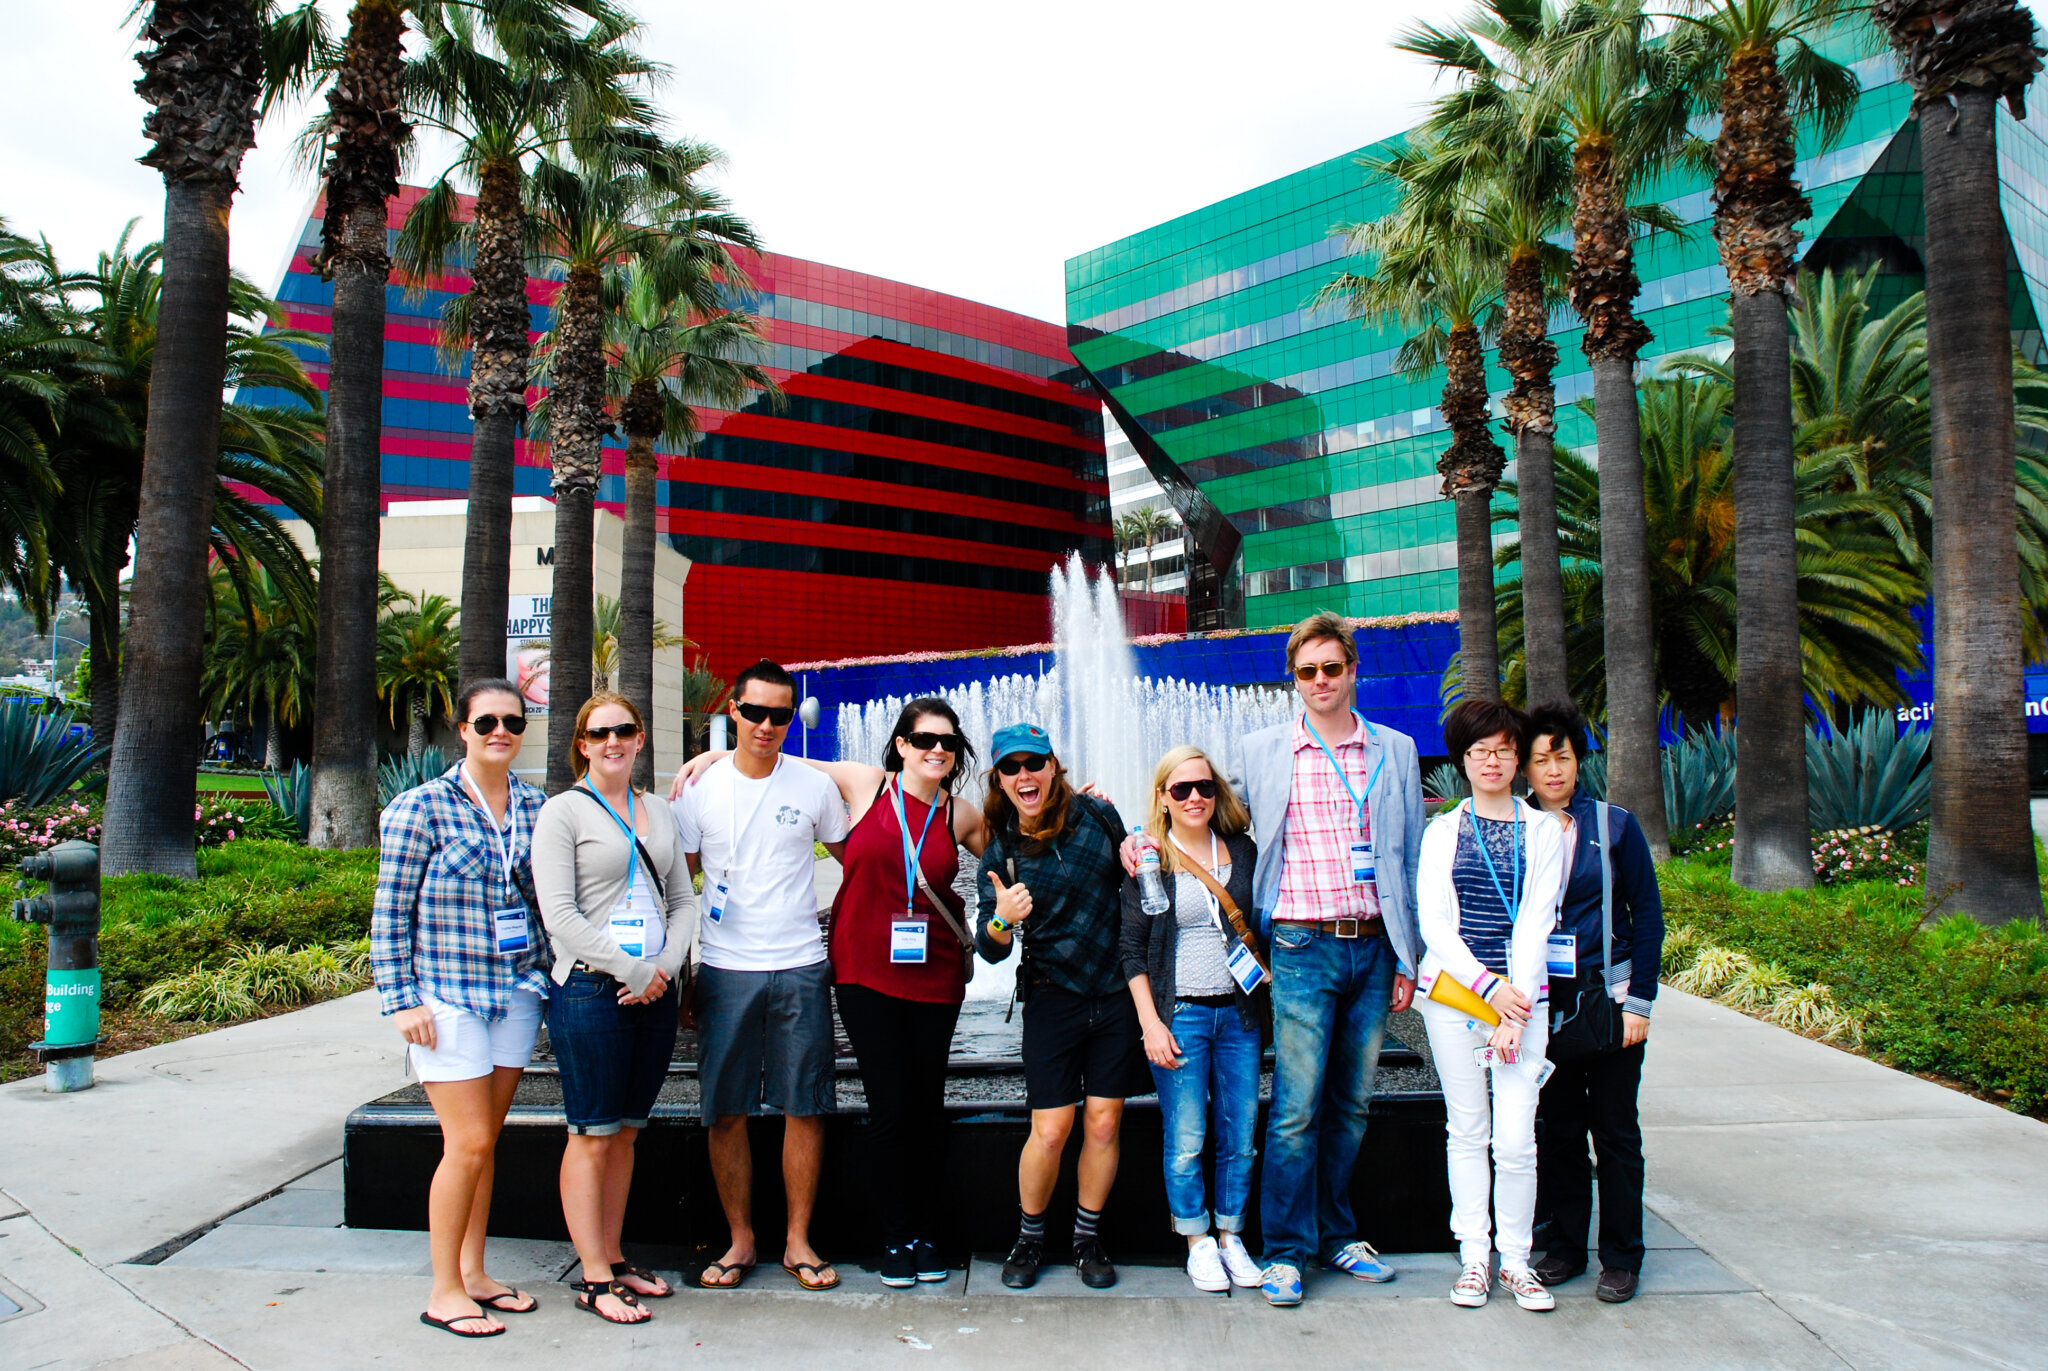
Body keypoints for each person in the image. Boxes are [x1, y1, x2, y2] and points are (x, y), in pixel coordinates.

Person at [1130, 612, 1426, 1307]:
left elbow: (1408, 856)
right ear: (1292, 680)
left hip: (1375, 943)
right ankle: (1287, 1249)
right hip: (1296, 943)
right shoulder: (1264, 749)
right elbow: (1192, 803)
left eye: (1332, 667)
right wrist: (1134, 838)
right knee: (1294, 1107)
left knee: (1351, 1103)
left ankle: (1337, 1233)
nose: (1320, 681)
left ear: (1354, 670)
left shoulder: (1398, 750)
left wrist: (1409, 956)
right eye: (1307, 671)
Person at [372, 679, 551, 1338]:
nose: (500, 731)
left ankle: (474, 1271)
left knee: (486, 1142)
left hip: (516, 992)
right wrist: (401, 999)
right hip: (447, 996)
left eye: (513, 720)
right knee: (468, 1141)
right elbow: (390, 908)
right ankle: (444, 1287)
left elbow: (543, 902)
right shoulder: (419, 808)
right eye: (487, 721)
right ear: (463, 728)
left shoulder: (537, 808)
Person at [672, 659, 851, 1291]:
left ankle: (798, 1240)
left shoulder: (813, 786)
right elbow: (679, 887)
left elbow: (856, 858)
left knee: (806, 1106)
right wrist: (685, 970)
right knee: (726, 1111)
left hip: (801, 964)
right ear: (734, 712)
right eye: (755, 713)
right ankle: (741, 1239)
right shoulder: (698, 791)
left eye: (781, 714)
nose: (767, 725)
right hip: (726, 969)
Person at [531, 693, 697, 1325]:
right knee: (592, 1133)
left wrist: (663, 970)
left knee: (627, 1131)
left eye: (624, 731)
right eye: (599, 733)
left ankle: (615, 1256)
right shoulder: (562, 814)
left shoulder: (657, 809)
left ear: (640, 736)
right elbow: (561, 918)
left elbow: (682, 898)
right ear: (582, 743)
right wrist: (631, 970)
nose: (613, 742)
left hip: (653, 991)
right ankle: (593, 1276)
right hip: (591, 991)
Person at [978, 723, 1151, 1290]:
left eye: (1034, 762)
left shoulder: (1098, 817)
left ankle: (1086, 1238)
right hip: (1053, 998)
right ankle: (1029, 1238)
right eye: (1011, 767)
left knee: (1104, 1123)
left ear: (1054, 766)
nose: (1024, 775)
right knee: (1050, 1130)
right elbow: (989, 947)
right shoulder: (1001, 851)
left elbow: (1137, 883)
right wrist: (1005, 916)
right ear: (999, 780)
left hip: (1116, 995)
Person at [1415, 697, 1565, 1312]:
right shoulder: (1442, 830)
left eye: (1505, 750)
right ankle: (1475, 1258)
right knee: (1467, 1130)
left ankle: (1518, 1261)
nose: (1494, 761)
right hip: (1455, 998)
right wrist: (1488, 992)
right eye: (1480, 751)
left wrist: (1511, 1007)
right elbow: (1436, 926)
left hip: (1522, 1003)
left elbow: (1537, 922)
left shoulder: (1545, 829)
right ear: (1463, 760)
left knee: (1516, 1139)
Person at [1524, 699, 1664, 1304]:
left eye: (1563, 756)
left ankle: (1622, 1257)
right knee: (1557, 1131)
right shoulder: (1515, 829)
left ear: (1579, 760)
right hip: (1542, 1007)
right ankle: (1562, 1249)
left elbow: (1648, 915)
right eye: (1540, 759)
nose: (1553, 769)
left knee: (1614, 1132)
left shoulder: (1616, 825)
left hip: (1608, 1000)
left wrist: (1641, 1003)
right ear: (1524, 769)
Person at [1120, 746, 1267, 1293]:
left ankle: (1231, 1236)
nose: (1195, 798)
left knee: (1241, 1134)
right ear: (1163, 797)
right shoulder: (1149, 860)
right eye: (1180, 789)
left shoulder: (1244, 853)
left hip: (1239, 1014)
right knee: (1186, 1136)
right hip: (1179, 1014)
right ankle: (1196, 1239)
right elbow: (1132, 952)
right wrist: (1150, 1024)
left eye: (1203, 787)